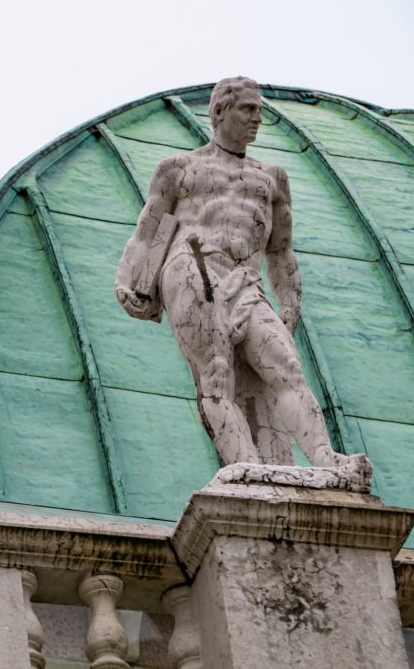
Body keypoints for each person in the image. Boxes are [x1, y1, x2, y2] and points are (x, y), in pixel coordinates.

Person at [115, 76, 353, 467]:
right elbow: (148, 228)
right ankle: (247, 469)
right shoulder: (179, 169)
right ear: (220, 111)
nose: (258, 118)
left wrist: (290, 303)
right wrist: (126, 279)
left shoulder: (272, 179)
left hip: (246, 280)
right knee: (216, 372)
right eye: (248, 108)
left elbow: (280, 249)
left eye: (260, 110)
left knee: (286, 366)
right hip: (193, 265)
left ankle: (326, 458)